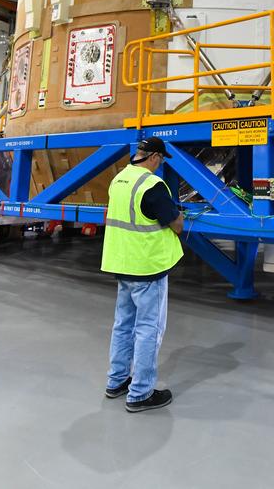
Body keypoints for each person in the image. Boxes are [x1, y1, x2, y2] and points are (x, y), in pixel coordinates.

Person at [101, 136, 184, 413]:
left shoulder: (120, 179)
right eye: (160, 161)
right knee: (149, 329)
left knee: (123, 325)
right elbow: (176, 225)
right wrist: (179, 215)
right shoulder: (151, 184)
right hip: (148, 268)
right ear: (155, 157)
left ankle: (116, 381)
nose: (159, 166)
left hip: (122, 263)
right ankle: (140, 393)